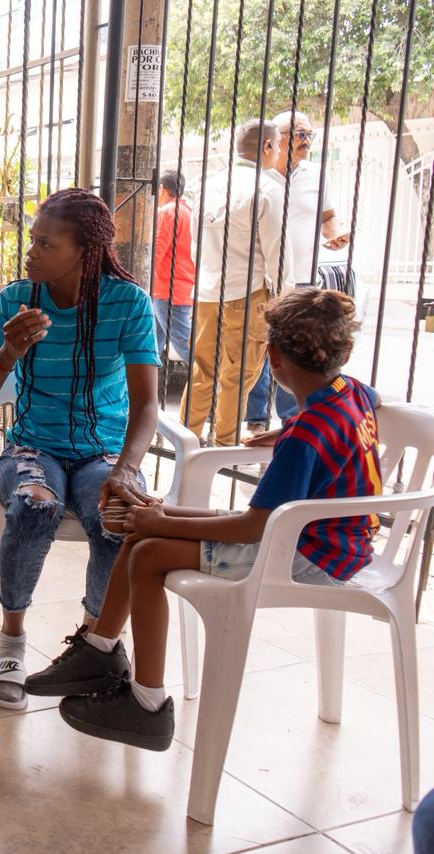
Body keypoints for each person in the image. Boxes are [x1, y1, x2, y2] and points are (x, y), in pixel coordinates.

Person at [24, 289, 379, 750]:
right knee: (145, 528)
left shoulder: (307, 437)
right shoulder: (349, 393)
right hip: (321, 538)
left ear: (271, 355)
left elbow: (253, 528)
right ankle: (100, 651)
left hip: (308, 556)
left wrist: (162, 524)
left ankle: (147, 705)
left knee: (149, 551)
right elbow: (367, 405)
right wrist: (292, 425)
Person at [0, 188, 161, 710]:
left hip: (102, 454)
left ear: (84, 251)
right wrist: (9, 351)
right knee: (35, 504)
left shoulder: (127, 303)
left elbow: (146, 408)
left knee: (119, 517)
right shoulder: (15, 300)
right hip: (32, 447)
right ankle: (11, 641)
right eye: (32, 240)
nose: (30, 253)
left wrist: (126, 470)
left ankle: (96, 642)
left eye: (45, 243)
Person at [182, 118, 293, 447]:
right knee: (239, 373)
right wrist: (283, 299)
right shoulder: (268, 189)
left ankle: (186, 441)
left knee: (202, 370)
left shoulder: (208, 184)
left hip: (206, 289)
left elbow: (192, 243)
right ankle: (224, 444)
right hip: (247, 291)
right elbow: (277, 255)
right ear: (268, 147)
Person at [245, 110, 354, 437]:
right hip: (263, 278)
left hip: (303, 278)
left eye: (310, 135)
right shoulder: (260, 177)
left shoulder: (316, 175)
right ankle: (255, 419)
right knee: (262, 347)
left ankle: (293, 423)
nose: (307, 141)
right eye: (300, 135)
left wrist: (335, 232)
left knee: (298, 347)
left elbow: (327, 217)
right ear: (276, 140)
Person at [151, 169, 195, 363]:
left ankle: (211, 388)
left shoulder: (167, 212)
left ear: (161, 189)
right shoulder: (187, 211)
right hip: (181, 287)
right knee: (151, 346)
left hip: (167, 289)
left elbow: (157, 252)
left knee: (187, 349)